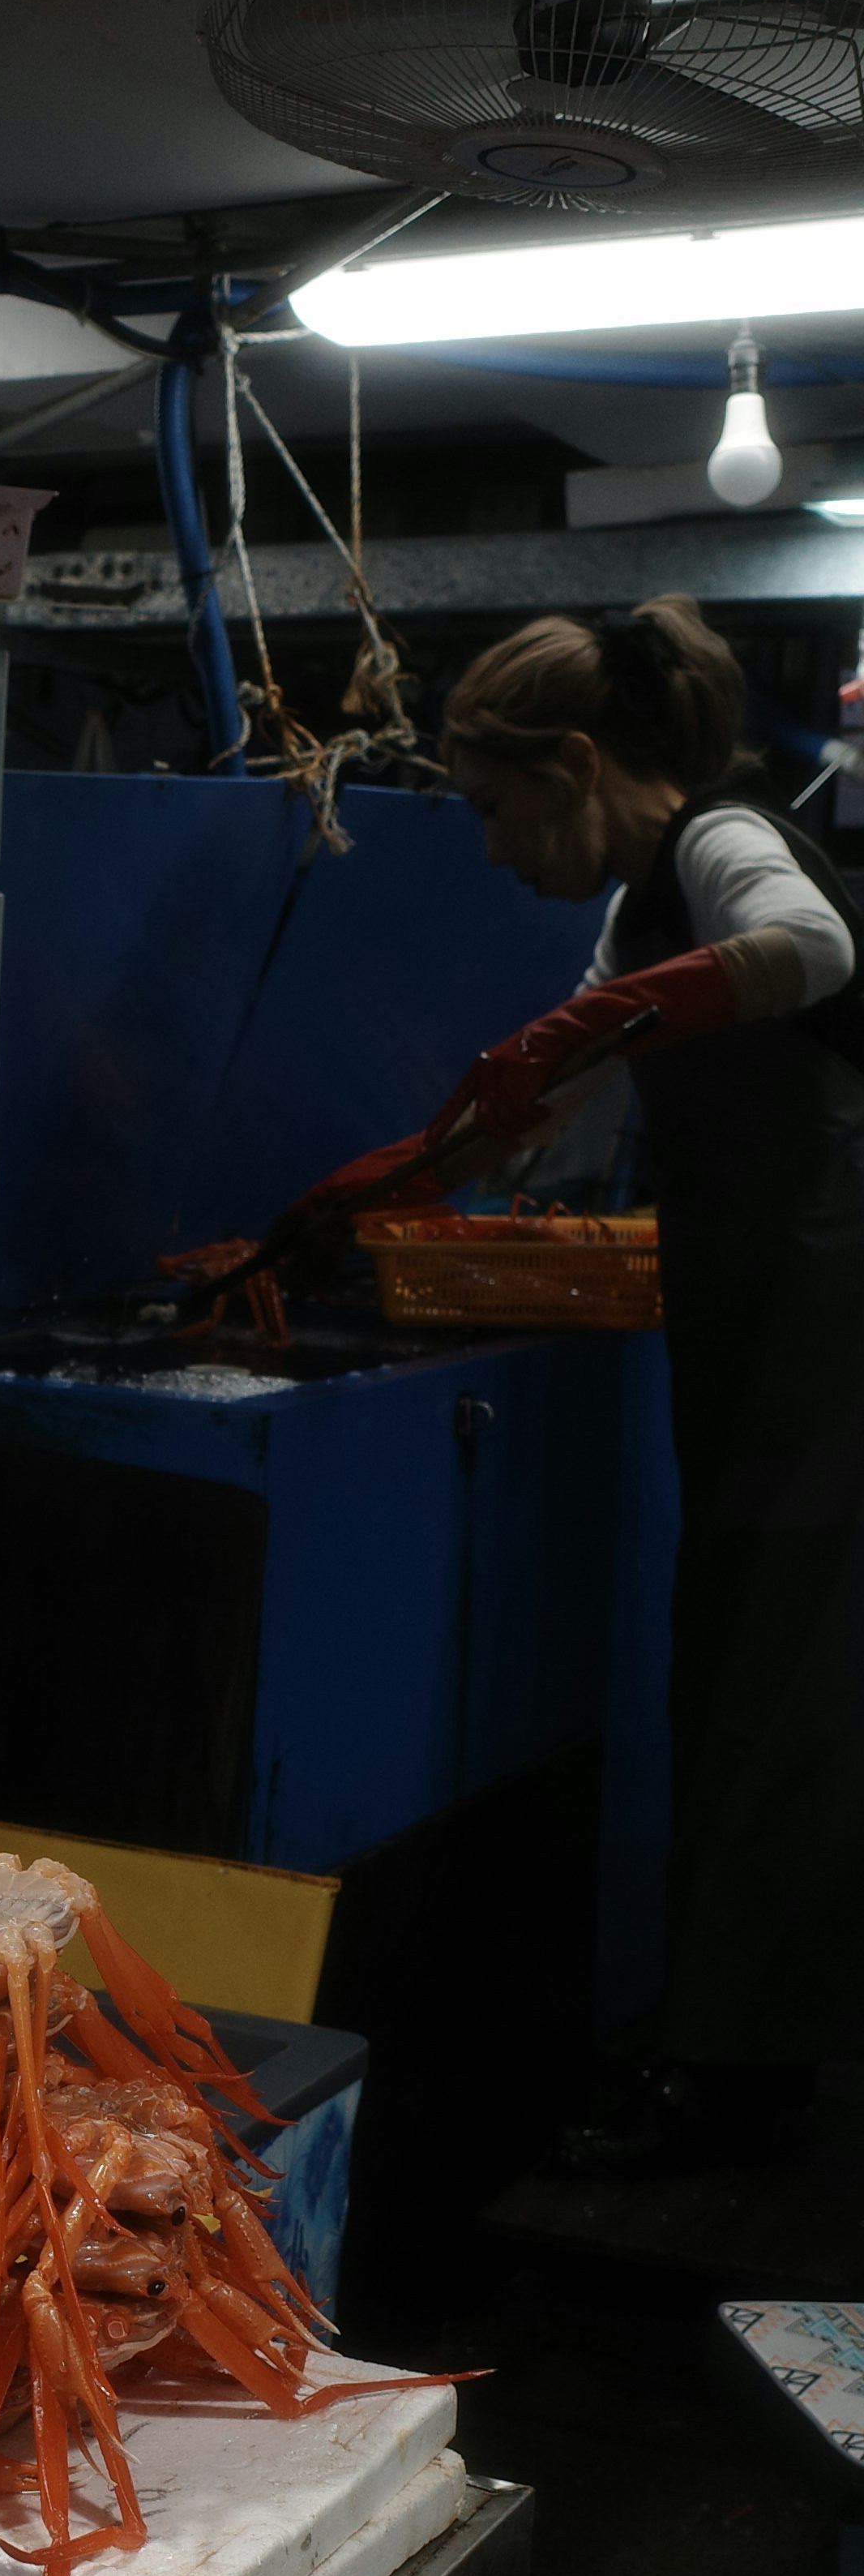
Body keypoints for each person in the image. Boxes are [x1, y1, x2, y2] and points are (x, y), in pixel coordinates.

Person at [289, 597, 864, 2174]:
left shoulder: (726, 842)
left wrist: (593, 1023)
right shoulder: (634, 909)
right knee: (745, 1665)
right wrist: (343, 1205)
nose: (487, 850)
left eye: (493, 808)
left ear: (579, 766)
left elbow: (813, 952)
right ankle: (732, 2059)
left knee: (776, 1685)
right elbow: (534, 1094)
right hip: (766, 1326)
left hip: (829, 1329)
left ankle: (738, 2092)